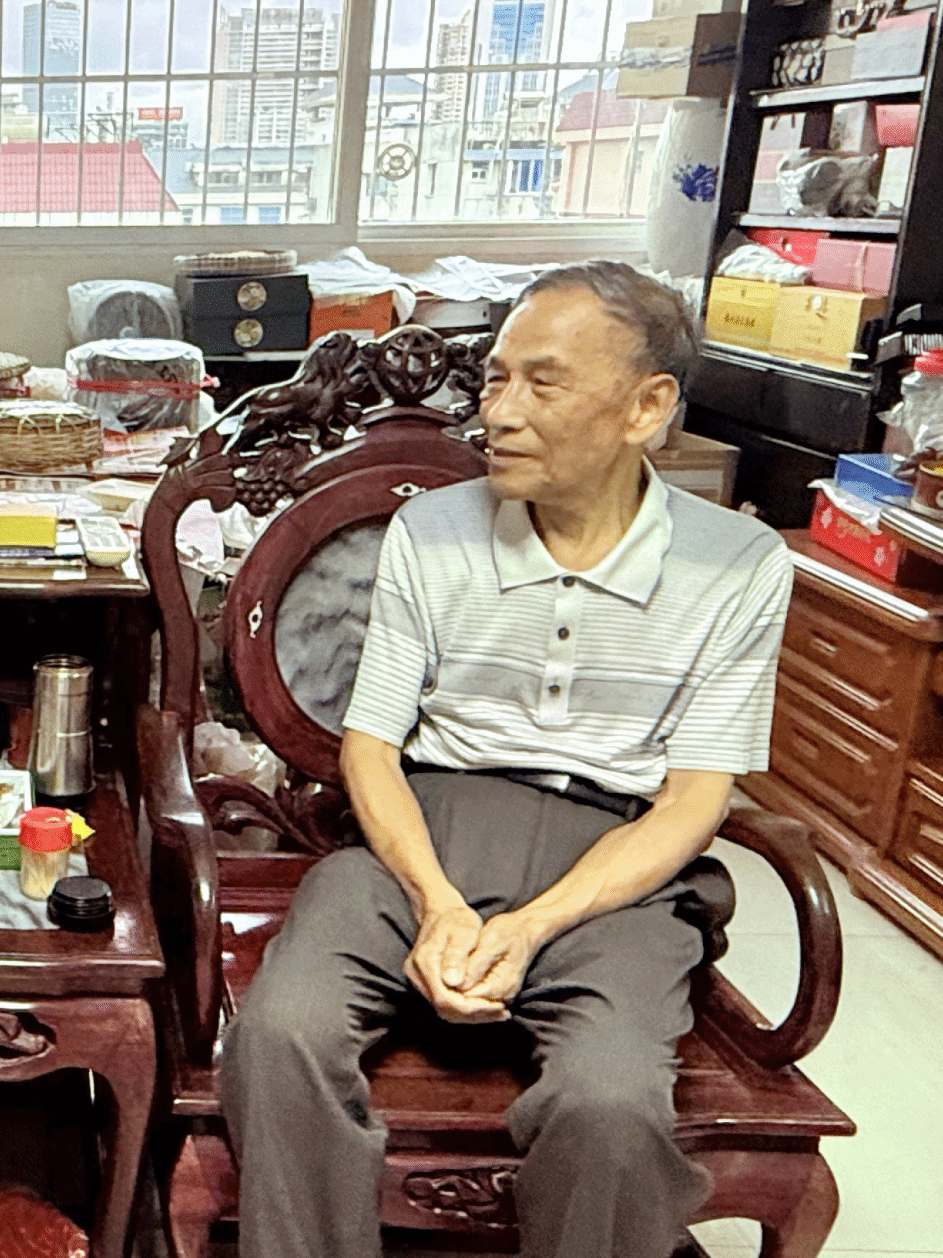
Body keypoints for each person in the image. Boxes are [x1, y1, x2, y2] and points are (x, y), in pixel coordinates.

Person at [221, 261, 792, 1258]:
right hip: (422, 833)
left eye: (543, 383)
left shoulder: (737, 564)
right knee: (279, 1035)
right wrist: (437, 902)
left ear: (646, 407)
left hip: (615, 869)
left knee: (610, 1103)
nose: (499, 412)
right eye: (493, 378)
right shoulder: (430, 529)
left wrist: (531, 927)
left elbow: (692, 799)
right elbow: (371, 747)